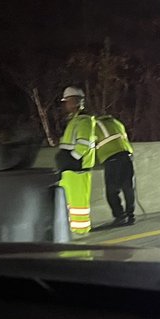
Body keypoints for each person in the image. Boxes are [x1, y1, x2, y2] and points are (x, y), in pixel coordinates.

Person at [55, 86, 96, 236]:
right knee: (70, 201)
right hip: (70, 169)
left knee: (79, 202)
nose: (66, 104)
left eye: (68, 101)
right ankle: (72, 228)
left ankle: (81, 230)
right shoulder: (74, 120)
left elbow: (83, 144)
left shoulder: (84, 120)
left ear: (76, 102)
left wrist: (72, 159)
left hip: (77, 169)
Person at [95, 113, 136, 227]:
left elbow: (90, 145)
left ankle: (120, 216)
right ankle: (131, 216)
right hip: (127, 156)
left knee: (112, 191)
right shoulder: (117, 123)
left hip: (111, 158)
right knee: (128, 187)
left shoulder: (95, 125)